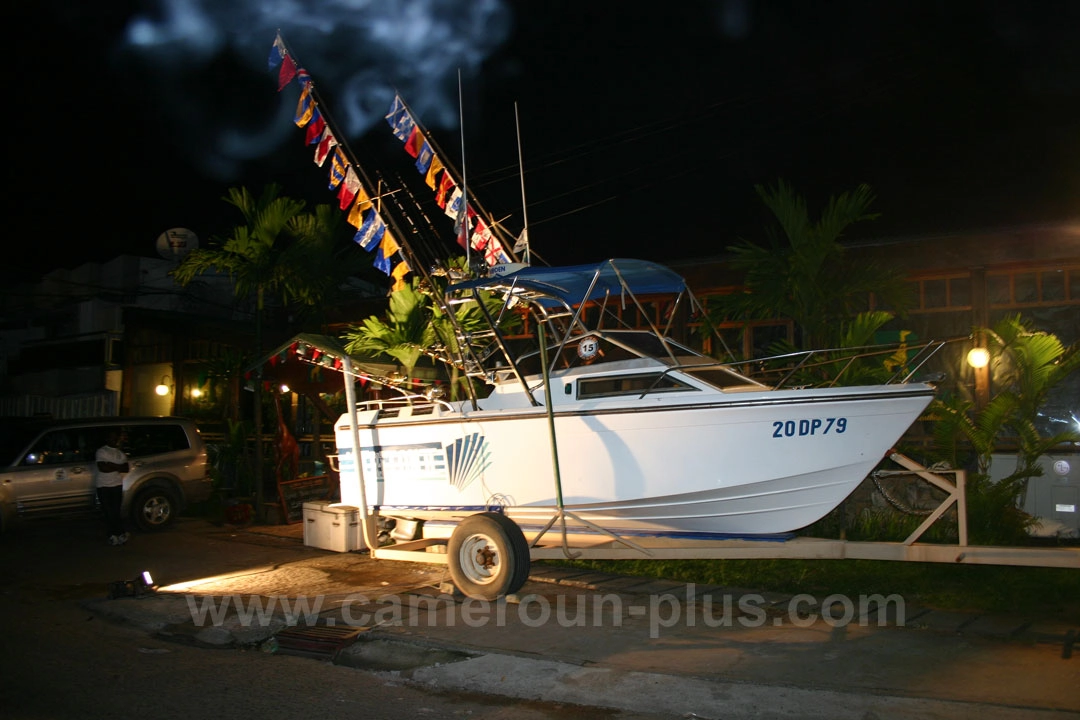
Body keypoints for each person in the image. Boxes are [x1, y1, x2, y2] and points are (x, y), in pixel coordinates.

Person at [95, 429, 130, 546]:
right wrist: (118, 466)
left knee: (115, 511)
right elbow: (102, 468)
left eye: (116, 437)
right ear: (107, 438)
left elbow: (126, 468)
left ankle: (116, 534)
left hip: (116, 485)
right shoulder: (102, 451)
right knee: (108, 511)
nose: (114, 440)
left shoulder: (120, 453)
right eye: (112, 437)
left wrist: (110, 465)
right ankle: (116, 533)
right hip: (103, 486)